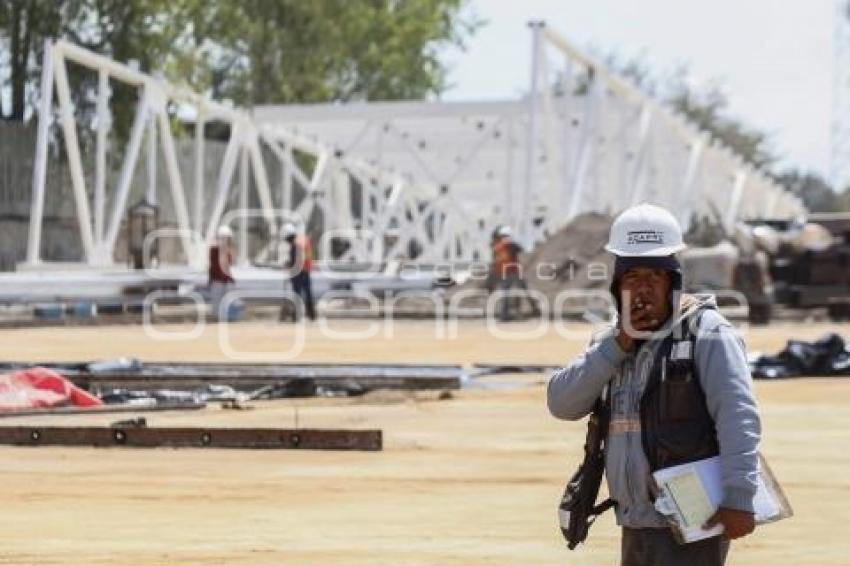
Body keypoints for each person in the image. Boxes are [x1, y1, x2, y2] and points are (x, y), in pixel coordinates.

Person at [547, 204, 760, 566]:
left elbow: (738, 418)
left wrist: (739, 498)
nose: (643, 289)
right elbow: (561, 403)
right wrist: (618, 345)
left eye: (655, 277)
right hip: (634, 521)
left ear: (673, 280)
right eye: (632, 277)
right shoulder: (611, 343)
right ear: (617, 284)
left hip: (694, 521)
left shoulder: (707, 334)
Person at [491, 225, 540, 320]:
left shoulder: (496, 246)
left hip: (502, 272)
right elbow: (520, 249)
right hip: (513, 271)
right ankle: (535, 309)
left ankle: (504, 315)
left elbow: (495, 259)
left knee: (506, 293)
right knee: (524, 289)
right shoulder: (509, 244)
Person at [280, 223, 316, 321]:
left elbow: (295, 259)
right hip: (306, 270)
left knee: (297, 294)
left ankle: (297, 315)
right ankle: (311, 315)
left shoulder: (295, 243)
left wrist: (288, 266)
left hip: (298, 272)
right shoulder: (304, 239)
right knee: (308, 293)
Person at [208, 225, 235, 321]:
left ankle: (227, 316)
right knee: (217, 300)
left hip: (224, 279)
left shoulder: (226, 250)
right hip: (217, 279)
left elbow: (229, 264)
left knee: (227, 299)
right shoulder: (215, 250)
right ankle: (218, 317)